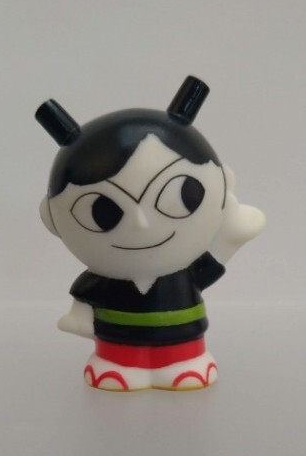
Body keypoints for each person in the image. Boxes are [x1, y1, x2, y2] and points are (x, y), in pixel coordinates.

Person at [36, 76, 265, 391]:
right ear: (51, 217)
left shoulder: (182, 271)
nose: (141, 224)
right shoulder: (103, 279)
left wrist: (230, 237)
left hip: (183, 340)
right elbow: (85, 296)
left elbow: (209, 267)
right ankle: (119, 366)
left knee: (183, 361)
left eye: (178, 195)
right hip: (116, 342)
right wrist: (80, 316)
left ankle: (183, 364)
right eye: (104, 212)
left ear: (222, 182)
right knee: (119, 363)